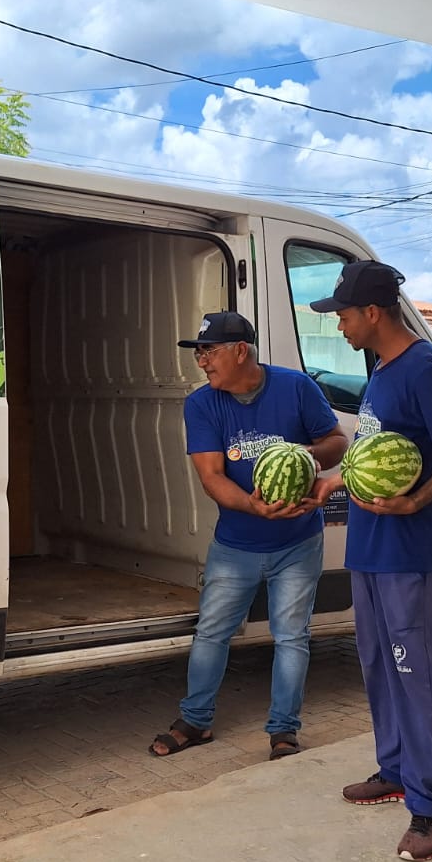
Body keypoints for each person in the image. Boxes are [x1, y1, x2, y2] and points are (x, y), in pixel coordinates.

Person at [308, 262, 432, 862]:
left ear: (372, 313)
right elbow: (379, 448)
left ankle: (431, 807)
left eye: (341, 315)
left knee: (414, 673)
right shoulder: (384, 372)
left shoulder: (425, 368)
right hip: (369, 547)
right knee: (377, 664)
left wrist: (415, 499)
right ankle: (395, 770)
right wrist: (335, 478)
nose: (337, 325)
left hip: (407, 552)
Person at [150, 310, 349, 761]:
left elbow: (337, 442)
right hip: (235, 544)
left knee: (291, 637)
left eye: (209, 351)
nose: (201, 361)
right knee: (212, 634)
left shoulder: (296, 387)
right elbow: (212, 477)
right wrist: (254, 506)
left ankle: (284, 731)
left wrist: (307, 454)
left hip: (298, 543)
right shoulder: (201, 404)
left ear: (241, 351)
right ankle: (195, 721)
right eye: (198, 352)